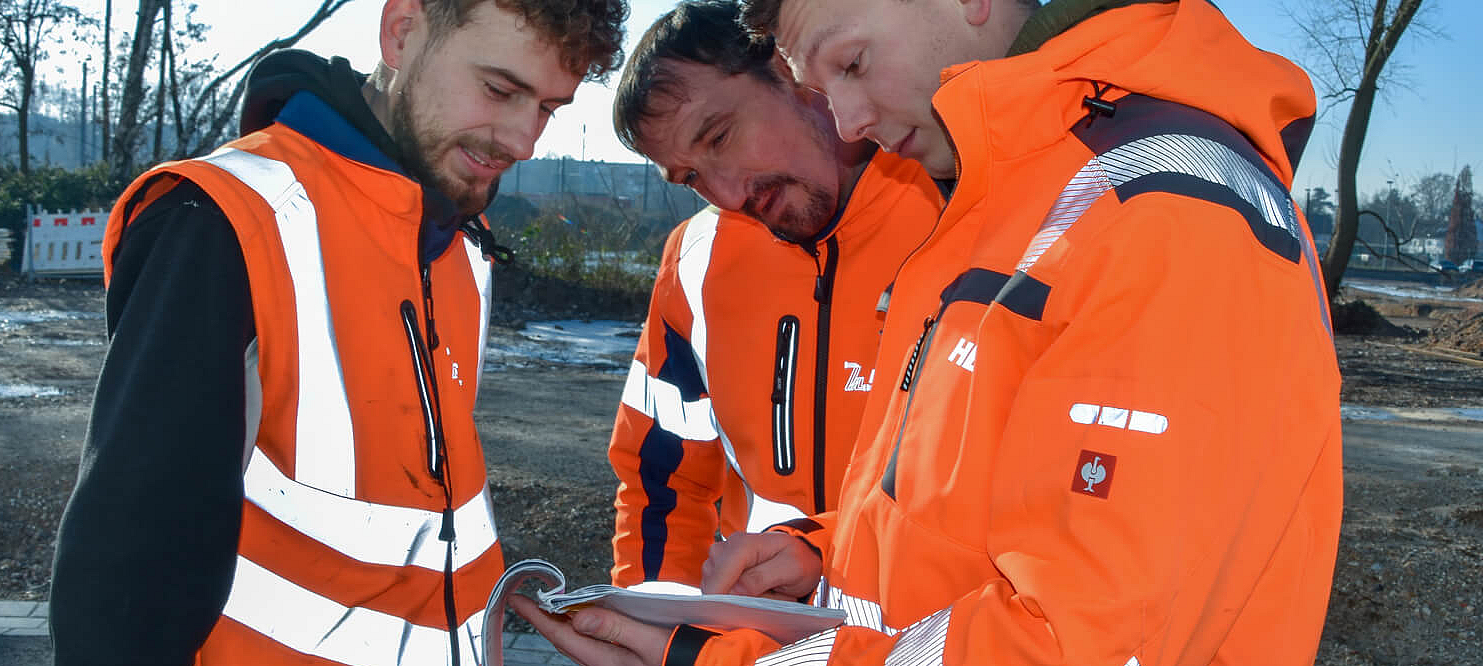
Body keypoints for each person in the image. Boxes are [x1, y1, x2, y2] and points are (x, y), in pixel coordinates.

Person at [514, 0, 1344, 665]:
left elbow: (1082, 641)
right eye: (694, 177)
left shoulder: (1163, 213)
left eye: (851, 63)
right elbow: (954, 519)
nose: (843, 119)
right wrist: (820, 551)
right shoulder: (995, 209)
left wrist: (717, 663)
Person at [47, 0, 625, 663]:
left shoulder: (458, 243)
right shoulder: (224, 223)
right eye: (500, 89)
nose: (524, 140)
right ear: (402, 31)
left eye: (548, 108)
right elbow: (124, 582)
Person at [603, 0, 943, 595]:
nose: (728, 192)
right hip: (756, 647)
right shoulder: (697, 260)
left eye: (721, 136)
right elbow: (662, 480)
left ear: (790, 72)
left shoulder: (960, 211)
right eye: (691, 179)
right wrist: (661, 628)